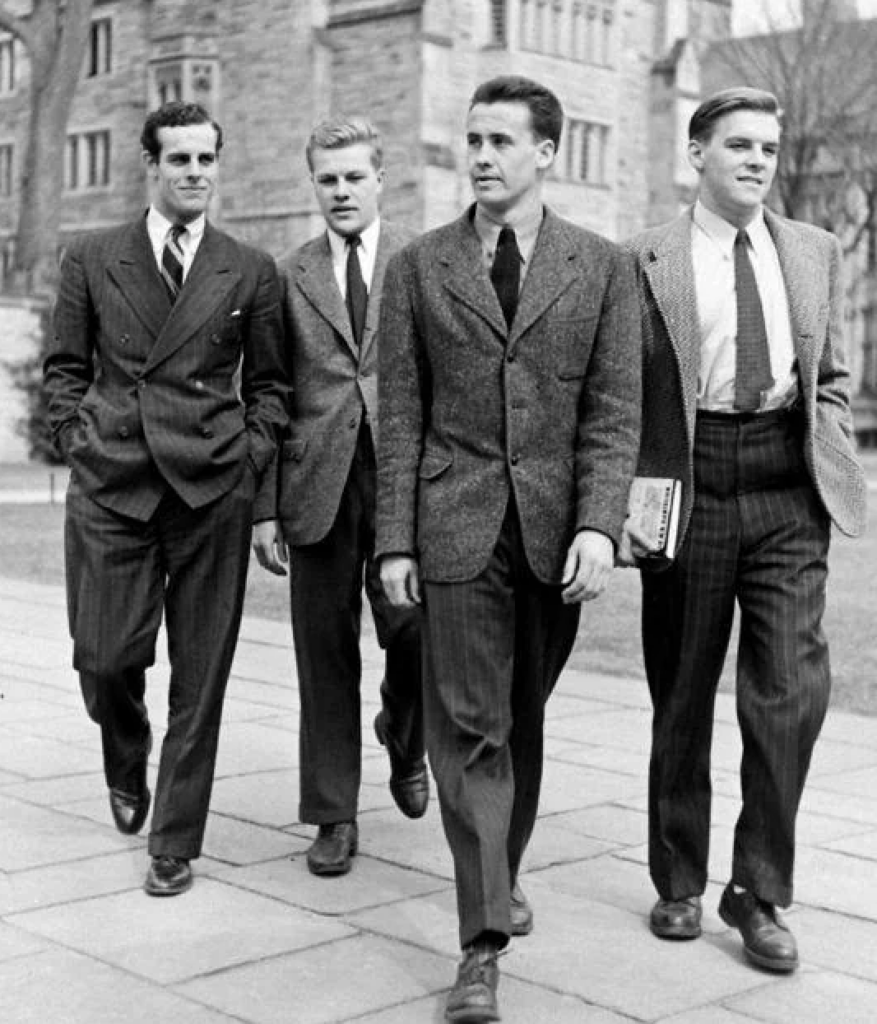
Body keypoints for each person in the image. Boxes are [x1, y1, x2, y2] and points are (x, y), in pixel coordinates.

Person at [377, 76, 641, 1022]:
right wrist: (393, 542)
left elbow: (613, 413)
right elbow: (399, 412)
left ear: (546, 153)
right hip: (453, 531)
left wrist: (597, 525)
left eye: (500, 140)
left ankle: (502, 866)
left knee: (519, 726)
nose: (481, 155)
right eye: (472, 138)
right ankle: (481, 943)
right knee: (473, 733)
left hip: (553, 537)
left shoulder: (602, 267)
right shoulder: (415, 266)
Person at [622, 87, 867, 972]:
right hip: (688, 485)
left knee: (791, 694)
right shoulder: (643, 258)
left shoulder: (813, 249)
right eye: (738, 146)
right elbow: (622, 392)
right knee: (680, 695)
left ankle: (757, 890)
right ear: (696, 155)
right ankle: (679, 880)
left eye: (767, 146)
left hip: (784, 486)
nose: (757, 161)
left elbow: (831, 372)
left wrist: (825, 443)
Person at [44, 101, 289, 898]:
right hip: (113, 483)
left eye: (205, 159)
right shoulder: (90, 256)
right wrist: (80, 438)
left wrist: (249, 458)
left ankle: (174, 840)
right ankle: (125, 749)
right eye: (178, 159)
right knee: (106, 657)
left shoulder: (249, 268)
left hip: (210, 487)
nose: (194, 173)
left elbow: (272, 385)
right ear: (149, 165)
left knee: (202, 673)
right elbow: (63, 371)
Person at [252, 117, 428, 878]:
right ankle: (332, 814)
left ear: (380, 178)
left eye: (354, 176)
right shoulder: (286, 275)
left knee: (420, 631)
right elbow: (264, 392)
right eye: (328, 179)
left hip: (405, 480)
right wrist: (264, 506)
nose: (341, 191)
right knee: (322, 655)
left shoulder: (421, 261)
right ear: (313, 185)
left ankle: (404, 728)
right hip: (315, 483)